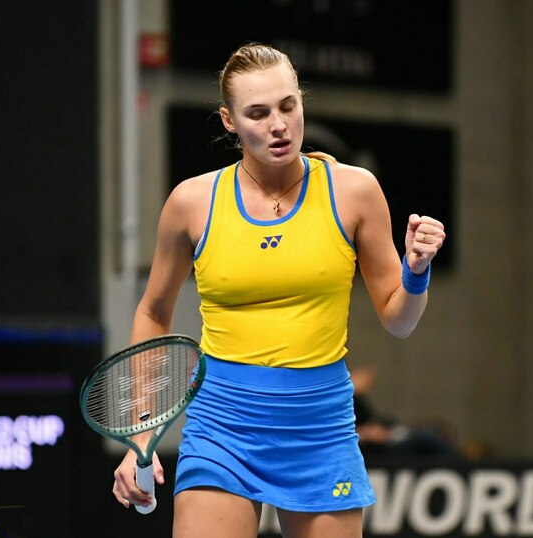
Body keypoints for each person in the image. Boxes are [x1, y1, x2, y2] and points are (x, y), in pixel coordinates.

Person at [112, 43, 446, 538]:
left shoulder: (354, 191)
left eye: (288, 106)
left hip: (320, 427)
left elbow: (399, 321)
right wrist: (141, 429)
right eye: (258, 113)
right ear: (229, 120)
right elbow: (153, 314)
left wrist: (415, 271)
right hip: (222, 426)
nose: (279, 125)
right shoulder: (191, 203)